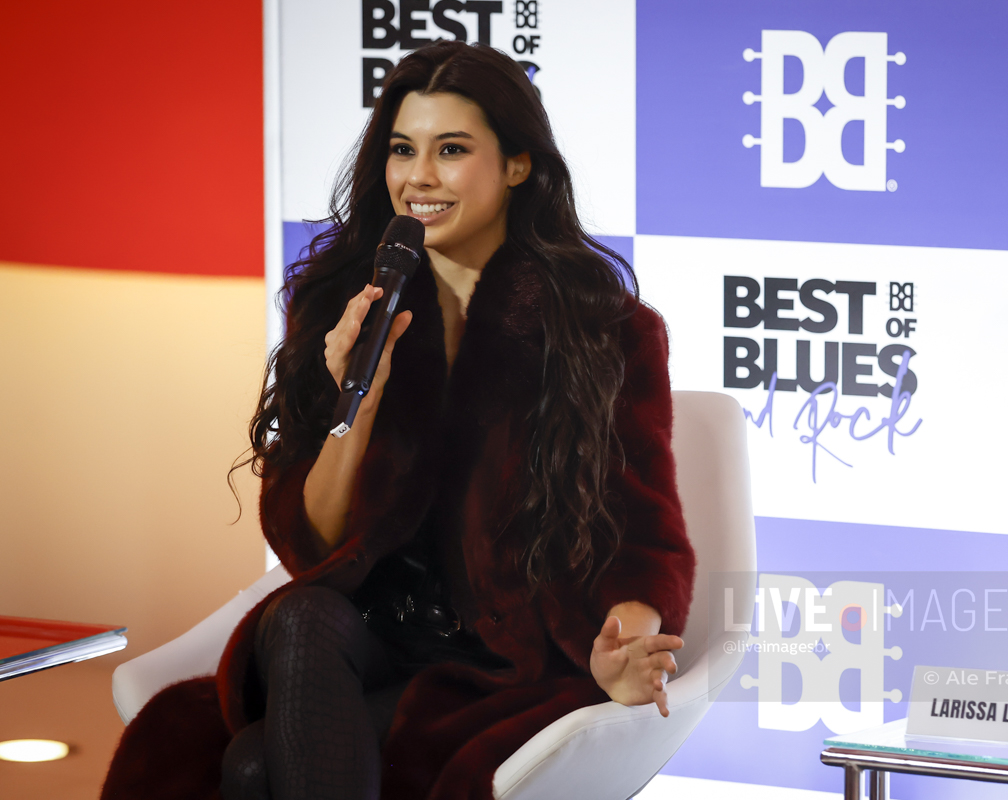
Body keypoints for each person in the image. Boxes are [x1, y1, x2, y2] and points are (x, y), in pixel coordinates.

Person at [100, 40, 695, 800]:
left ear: (518, 165)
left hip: (508, 655)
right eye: (402, 150)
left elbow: (647, 534)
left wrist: (628, 640)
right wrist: (360, 399)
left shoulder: (605, 330)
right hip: (367, 632)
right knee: (300, 615)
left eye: (452, 150)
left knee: (250, 768)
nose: (419, 177)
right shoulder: (344, 304)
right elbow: (310, 542)